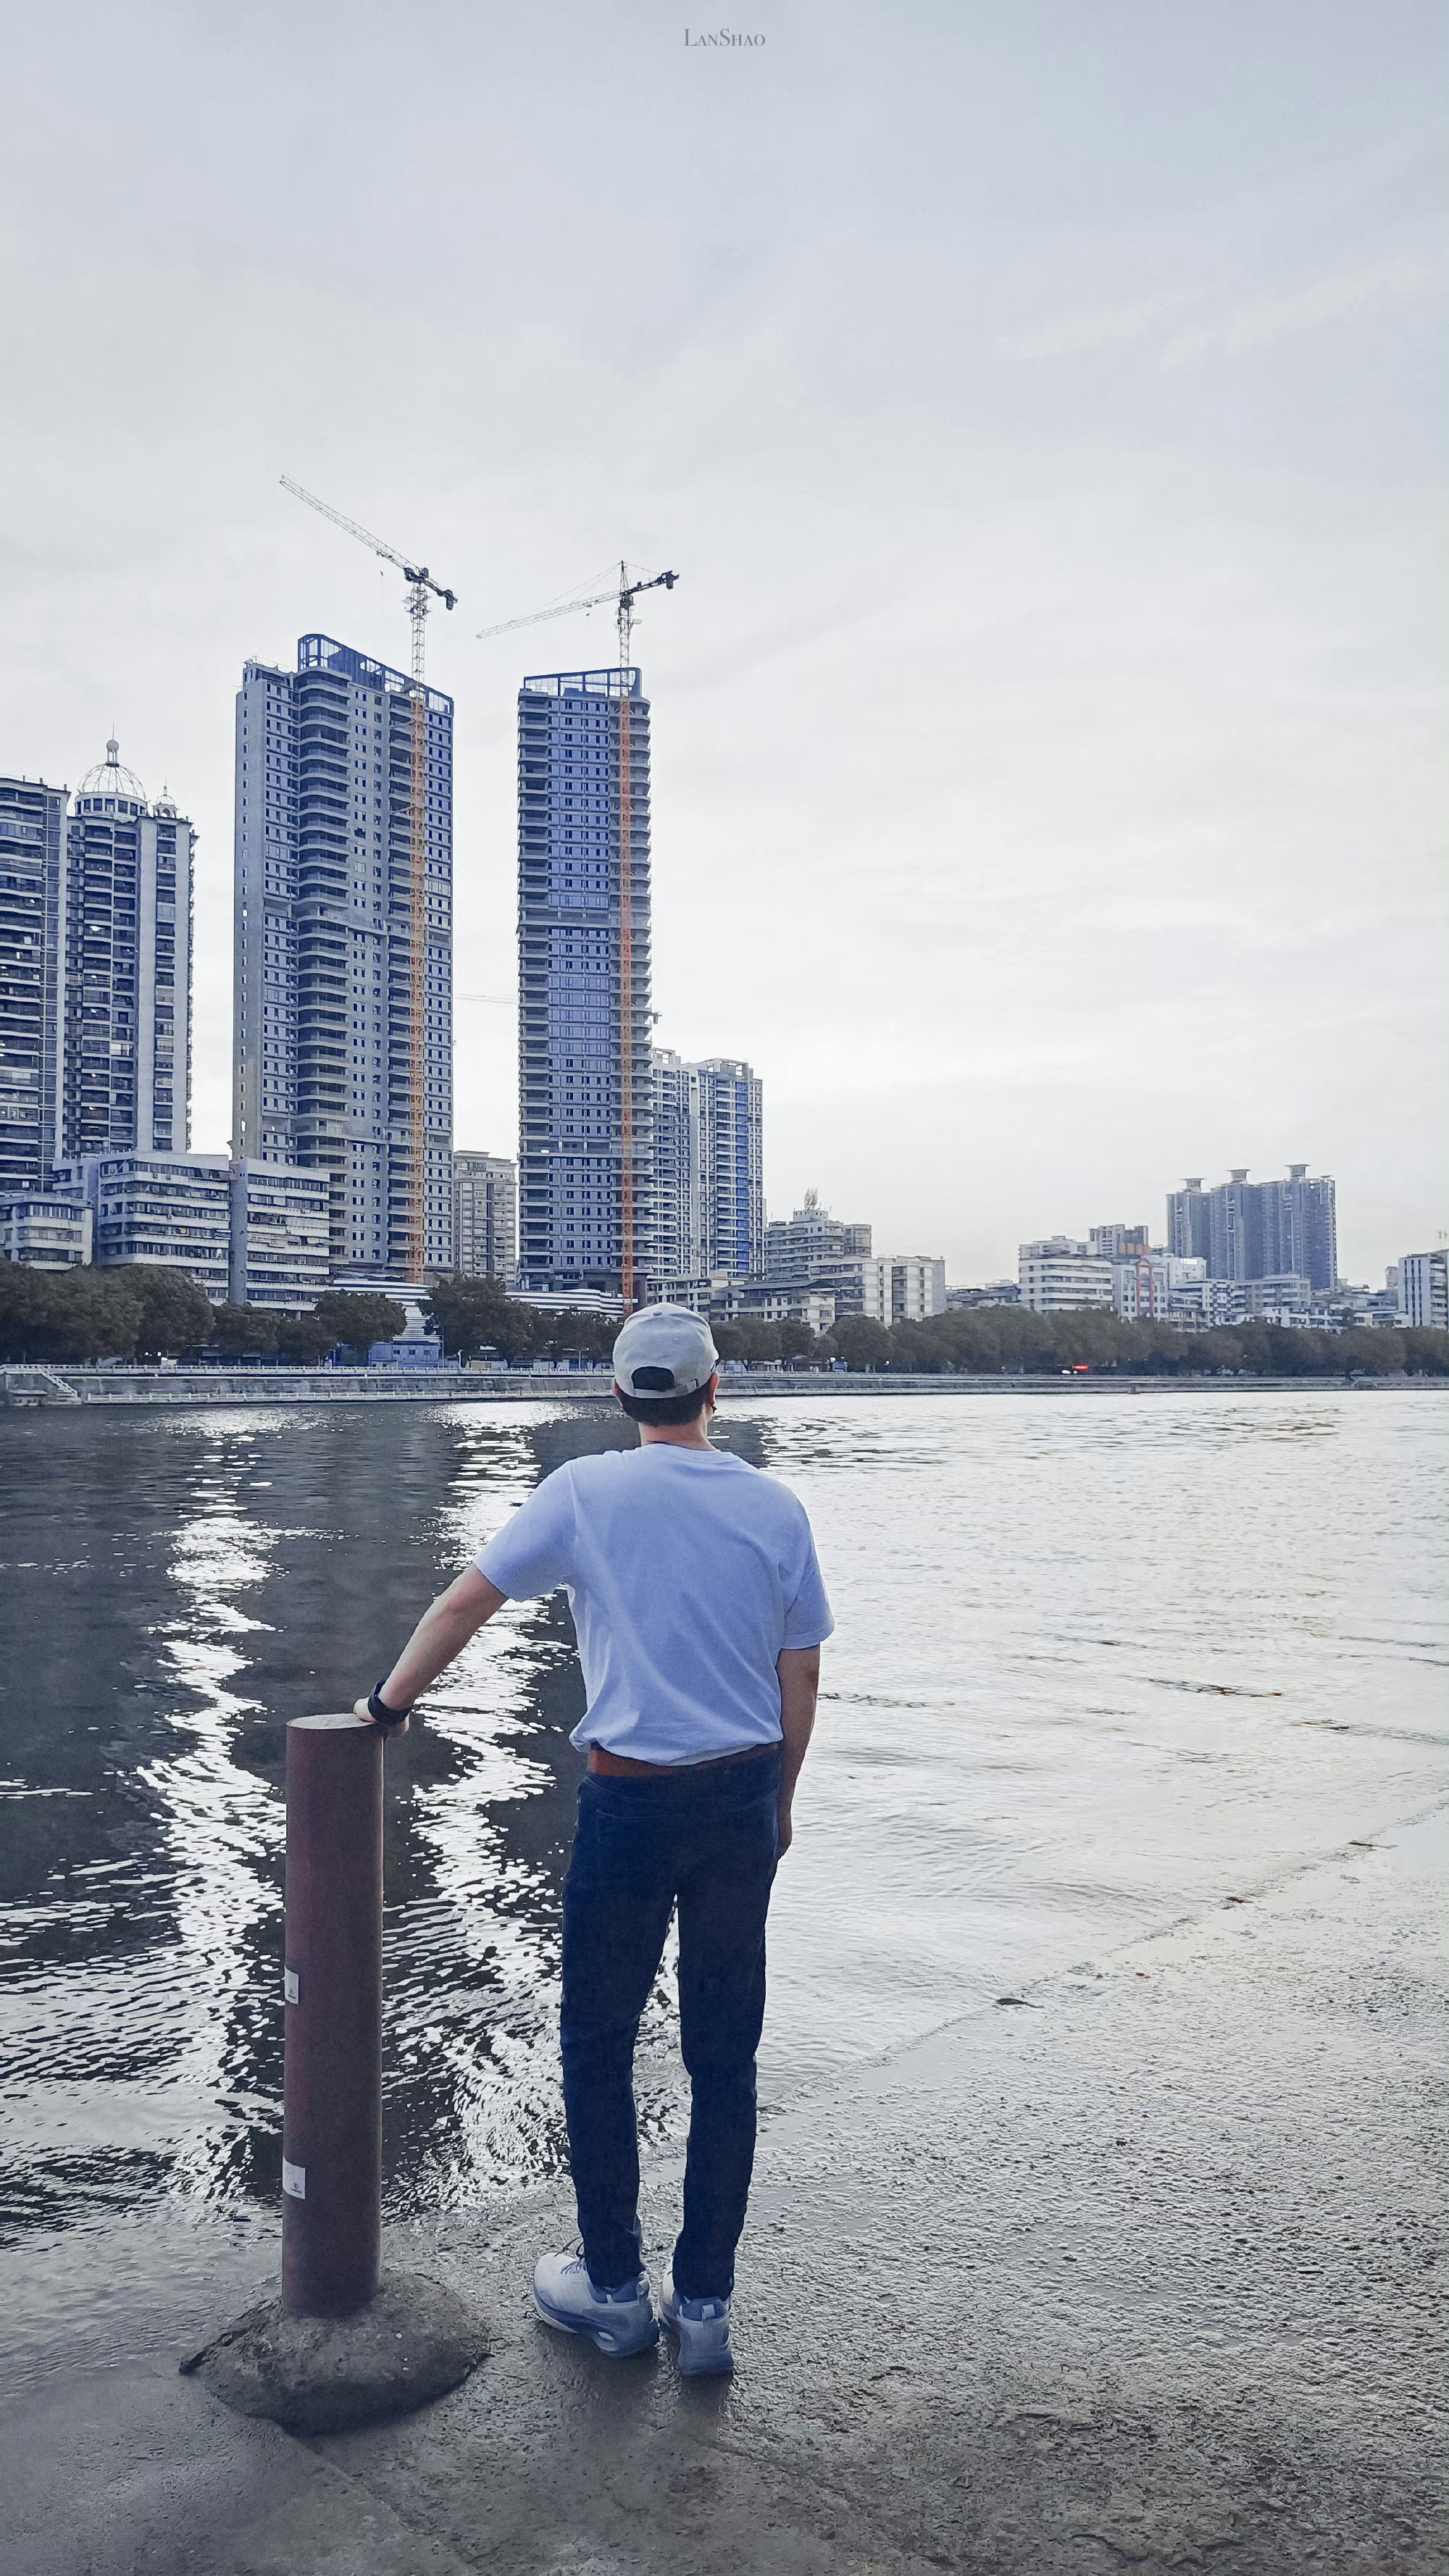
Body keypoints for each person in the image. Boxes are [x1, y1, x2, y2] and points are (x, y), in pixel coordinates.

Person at [355, 1303, 832, 2378]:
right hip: (742, 1796)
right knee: (724, 2057)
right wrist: (783, 1802)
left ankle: (612, 2292)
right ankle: (702, 2308)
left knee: (597, 2043)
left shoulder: (582, 1492)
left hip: (627, 1802)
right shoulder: (775, 1507)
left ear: (619, 1398)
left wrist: (385, 1709)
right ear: (718, 1391)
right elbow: (799, 1674)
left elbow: (462, 1607)